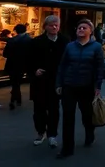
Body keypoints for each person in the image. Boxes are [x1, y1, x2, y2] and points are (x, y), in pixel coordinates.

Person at [55, 19, 105, 159]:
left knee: (87, 115)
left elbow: (99, 68)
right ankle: (67, 148)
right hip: (69, 86)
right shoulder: (70, 46)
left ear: (90, 31)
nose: (81, 30)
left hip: (87, 87)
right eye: (79, 28)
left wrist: (97, 86)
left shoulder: (96, 47)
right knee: (68, 117)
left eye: (84, 28)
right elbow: (62, 66)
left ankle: (90, 133)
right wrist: (59, 84)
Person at [28, 16, 69, 148]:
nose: (54, 27)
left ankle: (52, 135)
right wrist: (35, 70)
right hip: (40, 81)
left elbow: (68, 61)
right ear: (45, 26)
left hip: (56, 81)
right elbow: (28, 60)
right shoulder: (36, 41)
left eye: (56, 25)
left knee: (54, 109)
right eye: (51, 25)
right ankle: (41, 132)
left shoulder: (64, 41)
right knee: (39, 109)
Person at [3, 24, 32, 110]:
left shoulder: (11, 40)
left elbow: (5, 54)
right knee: (17, 82)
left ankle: (14, 99)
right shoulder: (30, 40)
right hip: (24, 65)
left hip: (12, 64)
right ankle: (16, 99)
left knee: (14, 82)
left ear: (16, 30)